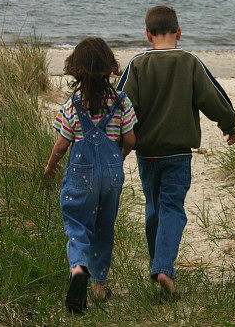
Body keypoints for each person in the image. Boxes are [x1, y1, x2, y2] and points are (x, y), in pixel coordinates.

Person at [117, 6, 235, 298]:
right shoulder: (189, 62)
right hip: (178, 154)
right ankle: (163, 267)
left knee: (154, 208)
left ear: (148, 35)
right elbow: (214, 97)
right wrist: (228, 124)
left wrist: (115, 142)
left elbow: (119, 104)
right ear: (179, 32)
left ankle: (157, 266)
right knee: (172, 208)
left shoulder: (137, 64)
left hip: (146, 153)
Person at [44, 37, 137, 313]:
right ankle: (97, 286)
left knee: (76, 222)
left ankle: (77, 268)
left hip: (80, 175)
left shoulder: (73, 105)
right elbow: (131, 139)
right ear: (109, 67)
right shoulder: (121, 102)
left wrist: (49, 167)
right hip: (111, 176)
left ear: (76, 71)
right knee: (104, 226)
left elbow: (62, 145)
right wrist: (118, 158)